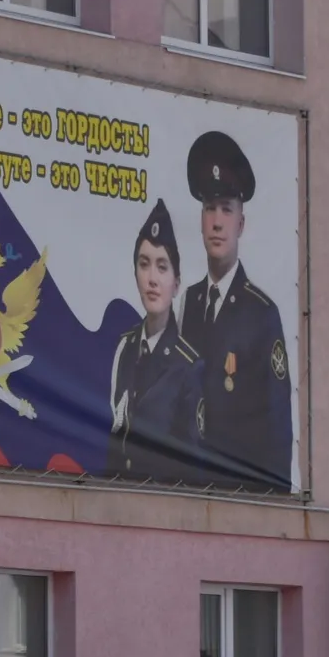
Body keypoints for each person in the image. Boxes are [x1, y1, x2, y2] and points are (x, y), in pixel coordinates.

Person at [179, 129, 293, 491]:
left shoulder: (261, 315)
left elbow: (276, 432)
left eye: (226, 210)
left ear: (240, 223)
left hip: (239, 497)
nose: (216, 222)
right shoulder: (190, 302)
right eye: (209, 209)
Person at [107, 201, 204, 485]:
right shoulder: (125, 348)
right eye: (144, 264)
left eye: (162, 267)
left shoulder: (189, 366)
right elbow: (115, 437)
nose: (152, 279)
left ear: (176, 284)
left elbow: (192, 467)